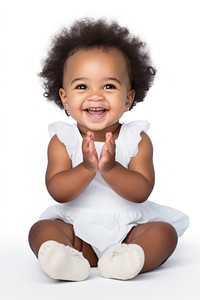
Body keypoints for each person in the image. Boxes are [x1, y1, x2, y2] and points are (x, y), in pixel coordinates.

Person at [28, 18, 189, 281]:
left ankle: (130, 259)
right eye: (82, 86)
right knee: (41, 229)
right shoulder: (63, 139)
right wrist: (87, 167)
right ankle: (62, 258)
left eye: (109, 86)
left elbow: (141, 192)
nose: (95, 95)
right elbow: (58, 191)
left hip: (129, 231)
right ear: (65, 98)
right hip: (77, 232)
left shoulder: (136, 139)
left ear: (128, 98)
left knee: (165, 233)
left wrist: (111, 168)